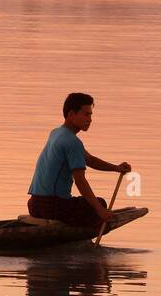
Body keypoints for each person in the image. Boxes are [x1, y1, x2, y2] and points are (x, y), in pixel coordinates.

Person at [27, 92, 132, 233]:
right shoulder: (72, 142)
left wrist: (116, 168)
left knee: (92, 204)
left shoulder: (56, 132)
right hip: (53, 206)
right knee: (99, 203)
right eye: (86, 114)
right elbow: (80, 181)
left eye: (91, 115)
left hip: (34, 205)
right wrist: (100, 210)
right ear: (71, 114)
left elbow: (89, 160)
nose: (90, 119)